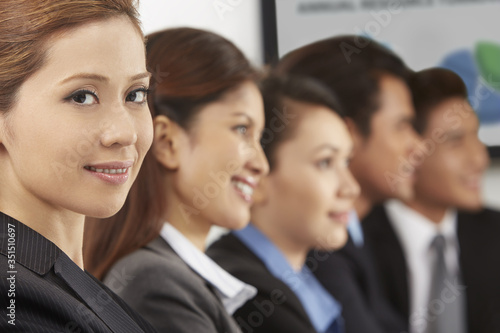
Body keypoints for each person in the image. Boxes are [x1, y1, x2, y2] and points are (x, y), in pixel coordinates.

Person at [84, 27, 269, 333]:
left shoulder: (170, 276)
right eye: (241, 129)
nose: (261, 164)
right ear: (168, 142)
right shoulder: (155, 284)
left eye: (259, 137)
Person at [0, 0, 157, 332]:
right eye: (82, 96)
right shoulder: (15, 305)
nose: (125, 132)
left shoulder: (66, 283)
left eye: (135, 95)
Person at [274, 35, 419, 333]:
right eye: (402, 125)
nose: (417, 146)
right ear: (347, 132)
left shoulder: (367, 233)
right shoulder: (314, 250)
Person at [208, 74, 360, 333]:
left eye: (346, 162)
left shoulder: (302, 277)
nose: (351, 188)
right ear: (259, 174)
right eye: (325, 162)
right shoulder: (246, 294)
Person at [363, 68, 500, 333]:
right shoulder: (359, 239)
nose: (479, 159)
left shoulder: (494, 233)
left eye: (477, 137)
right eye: (456, 141)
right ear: (411, 147)